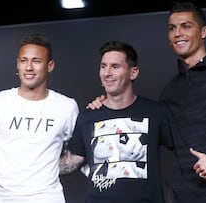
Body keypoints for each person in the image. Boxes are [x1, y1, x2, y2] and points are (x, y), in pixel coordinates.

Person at [87, 1, 206, 203]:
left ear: (204, 32)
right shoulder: (170, 91)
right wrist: (105, 105)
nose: (178, 33)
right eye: (172, 28)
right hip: (184, 196)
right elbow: (157, 135)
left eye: (186, 26)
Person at [0, 33, 79, 203]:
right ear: (17, 64)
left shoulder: (66, 106)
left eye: (36, 61)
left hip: (47, 197)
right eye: (23, 60)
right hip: (1, 198)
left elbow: (79, 151)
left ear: (50, 65)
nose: (28, 67)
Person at [59, 40, 173, 203]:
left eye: (115, 66)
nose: (107, 73)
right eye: (103, 66)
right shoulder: (88, 117)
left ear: (133, 73)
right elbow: (70, 162)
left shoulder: (155, 112)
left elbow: (183, 149)